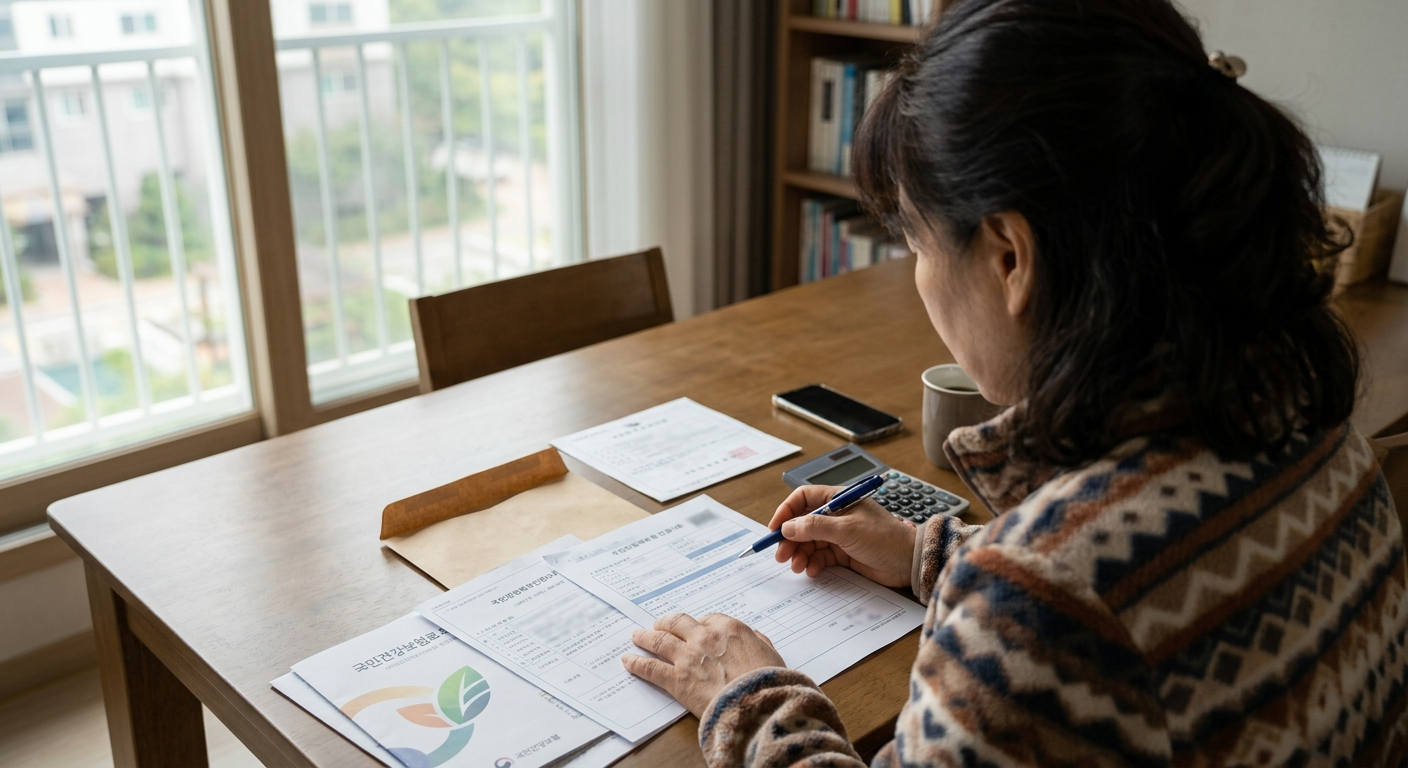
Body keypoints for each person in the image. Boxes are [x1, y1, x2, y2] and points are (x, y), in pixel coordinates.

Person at [619, 0, 1408, 764]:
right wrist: (930, 553)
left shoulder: (1038, 602)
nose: (920, 277)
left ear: (1008, 256)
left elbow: (1071, 598)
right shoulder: (1312, 423)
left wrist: (750, 697)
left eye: (917, 243)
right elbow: (1146, 576)